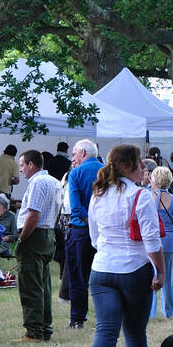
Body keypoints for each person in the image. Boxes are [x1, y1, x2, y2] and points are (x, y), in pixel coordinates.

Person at [87, 144, 165, 347]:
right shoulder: (140, 196)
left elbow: (94, 237)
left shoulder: (98, 194)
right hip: (133, 269)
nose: (144, 168)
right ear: (124, 166)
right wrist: (161, 270)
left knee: (105, 331)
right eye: (139, 163)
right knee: (134, 332)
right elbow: (152, 241)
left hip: (102, 268)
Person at [12, 150, 60, 342]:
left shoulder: (37, 183)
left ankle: (34, 331)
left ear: (31, 165)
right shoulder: (55, 182)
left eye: (22, 165)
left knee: (31, 285)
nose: (21, 170)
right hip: (49, 233)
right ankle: (45, 328)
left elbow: (33, 215)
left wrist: (22, 238)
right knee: (43, 285)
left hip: (34, 234)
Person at [65, 139, 101, 329]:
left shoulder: (76, 173)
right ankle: (106, 316)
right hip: (105, 230)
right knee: (104, 274)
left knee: (78, 275)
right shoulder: (107, 172)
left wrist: (90, 222)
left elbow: (76, 208)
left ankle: (78, 318)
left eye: (74, 154)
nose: (73, 158)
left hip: (81, 231)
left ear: (83, 153)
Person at [148, 164, 173, 321]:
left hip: (152, 241)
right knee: (169, 277)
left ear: (155, 181)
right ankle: (169, 311)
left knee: (151, 276)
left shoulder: (147, 197)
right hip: (170, 242)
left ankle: (150, 312)